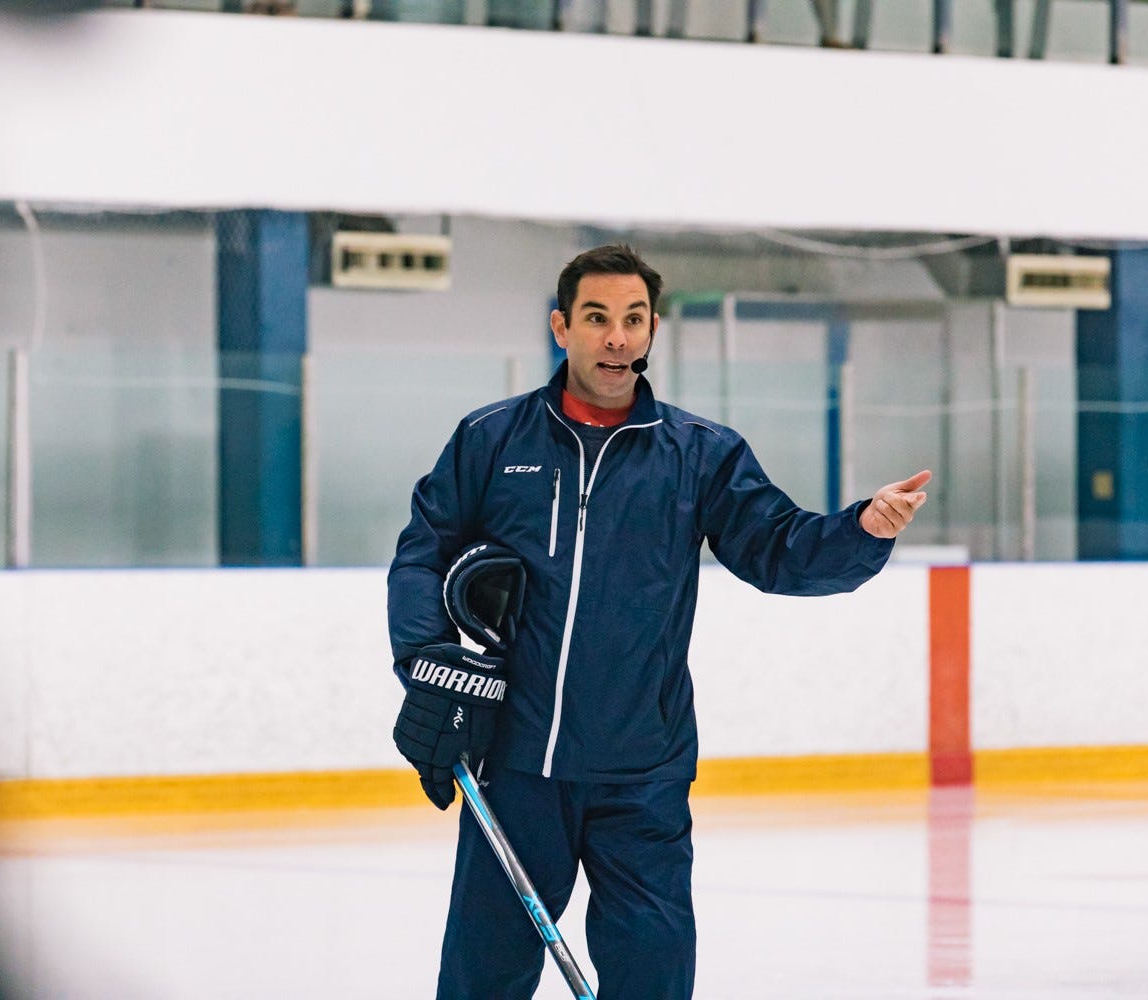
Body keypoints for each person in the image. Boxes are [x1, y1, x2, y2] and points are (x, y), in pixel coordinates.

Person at [387, 243, 930, 999]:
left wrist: (862, 530)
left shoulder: (698, 455)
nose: (617, 338)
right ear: (561, 327)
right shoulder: (492, 440)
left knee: (654, 978)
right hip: (516, 768)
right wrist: (428, 662)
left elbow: (778, 550)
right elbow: (423, 554)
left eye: (634, 320)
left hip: (642, 776)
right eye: (597, 318)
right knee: (483, 980)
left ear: (651, 330)